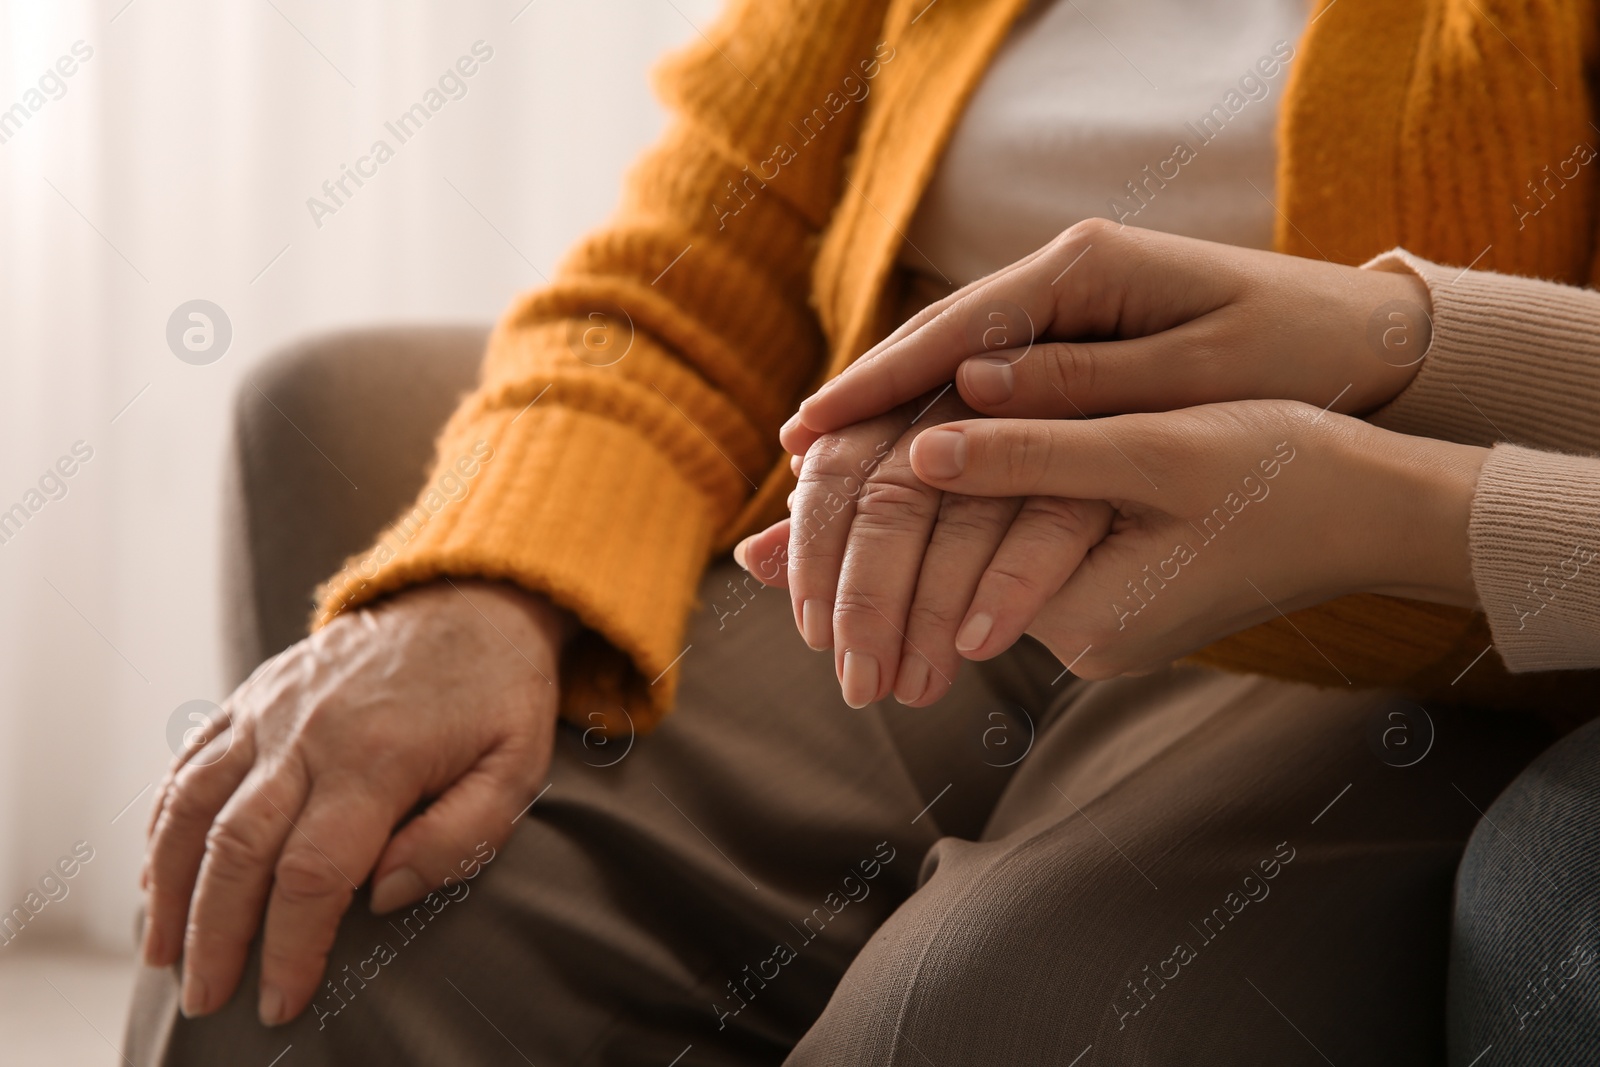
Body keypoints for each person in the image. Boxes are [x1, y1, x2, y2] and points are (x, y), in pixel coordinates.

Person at [126, 0, 1600, 1062]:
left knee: (986, 1021)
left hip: (1400, 611)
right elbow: (688, 278)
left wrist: (1381, 455)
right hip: (894, 559)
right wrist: (470, 586)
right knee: (308, 932)